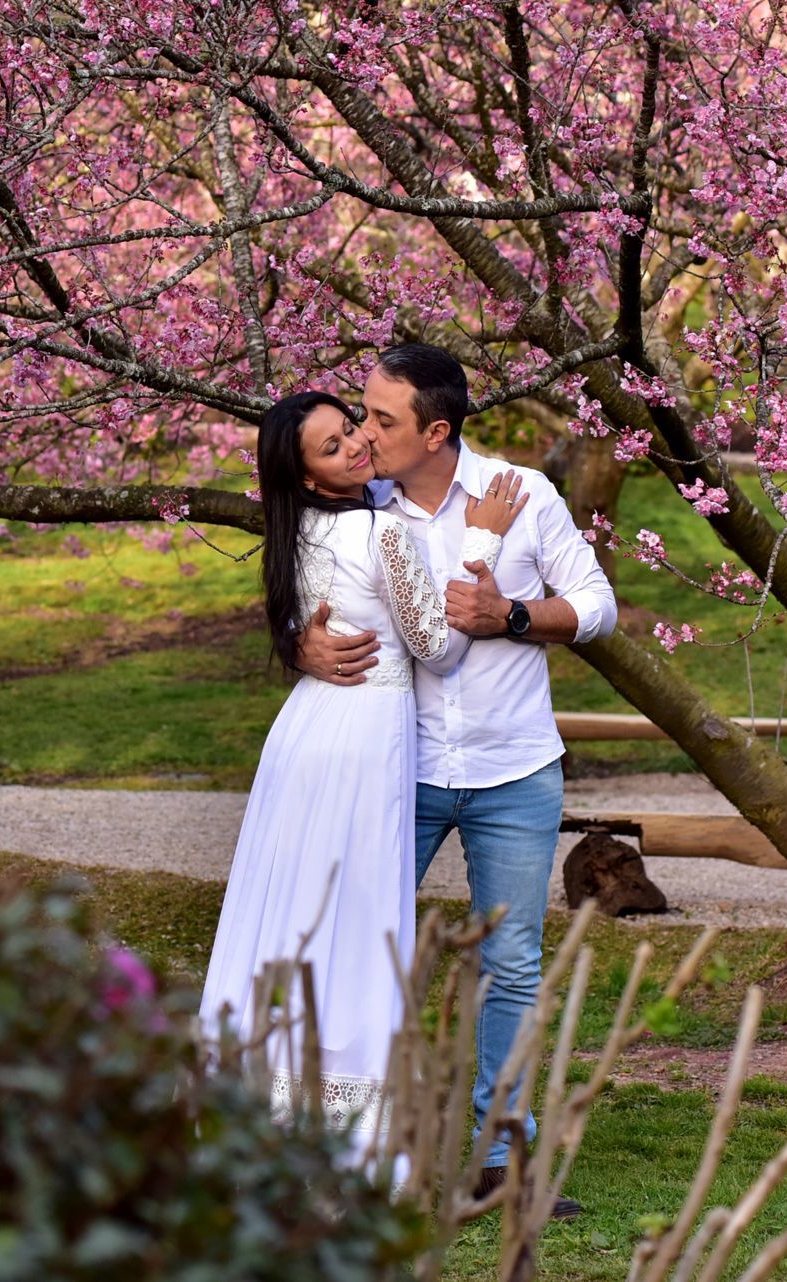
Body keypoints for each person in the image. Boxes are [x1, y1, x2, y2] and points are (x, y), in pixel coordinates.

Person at [295, 344, 618, 1218]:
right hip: (396, 771)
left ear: (437, 432)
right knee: (356, 949)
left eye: (383, 420)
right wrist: (299, 642)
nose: (364, 433)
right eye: (362, 416)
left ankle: (499, 1167)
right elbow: (304, 581)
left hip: (516, 770)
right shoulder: (359, 505)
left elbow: (596, 605)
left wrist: (510, 614)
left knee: (510, 965)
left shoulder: (523, 496)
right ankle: (338, 1152)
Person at [198, 390, 527, 1168]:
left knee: (291, 914)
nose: (355, 446)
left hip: (305, 732)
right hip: (363, 740)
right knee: (357, 921)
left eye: (351, 430)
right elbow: (436, 647)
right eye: (332, 446)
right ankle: (345, 1118)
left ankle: (270, 1098)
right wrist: (477, 546)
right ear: (308, 475)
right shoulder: (379, 530)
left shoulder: (294, 533)